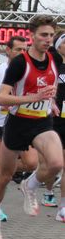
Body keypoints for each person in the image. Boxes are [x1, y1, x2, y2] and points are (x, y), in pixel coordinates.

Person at [0, 15, 63, 239]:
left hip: (42, 121)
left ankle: (29, 186)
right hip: (18, 123)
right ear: (32, 36)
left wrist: (51, 101)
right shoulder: (20, 63)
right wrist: (33, 97)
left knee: (57, 163)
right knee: (4, 175)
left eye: (51, 35)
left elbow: (52, 84)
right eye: (43, 35)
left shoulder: (54, 59)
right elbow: (1, 98)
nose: (48, 39)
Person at [0, 36, 37, 221]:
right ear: (8, 51)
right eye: (18, 49)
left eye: (25, 49)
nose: (22, 53)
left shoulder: (28, 72)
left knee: (32, 163)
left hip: (22, 125)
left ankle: (19, 181)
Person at [47, 30, 65, 219]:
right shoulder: (51, 65)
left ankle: (63, 206)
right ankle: (48, 190)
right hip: (52, 117)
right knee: (49, 163)